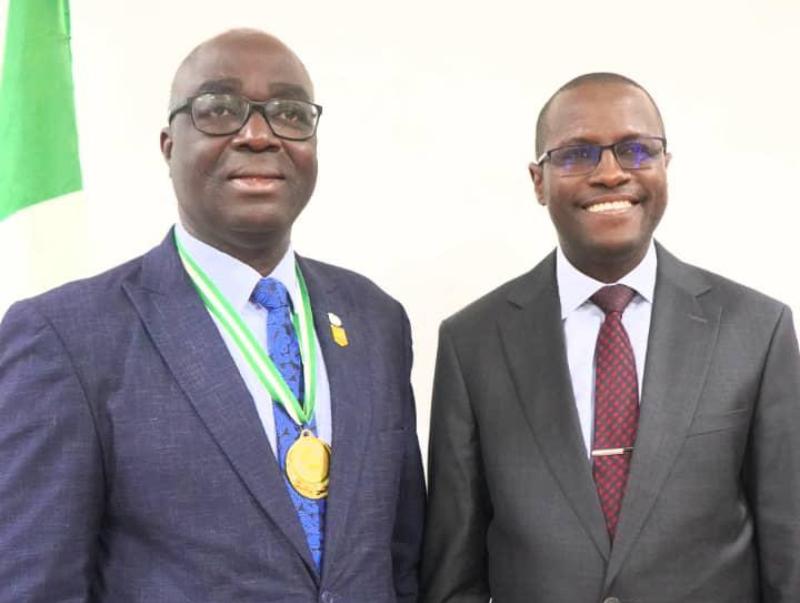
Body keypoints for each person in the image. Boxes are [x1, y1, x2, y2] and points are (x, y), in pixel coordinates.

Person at [0, 29, 425, 602]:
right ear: (168, 144)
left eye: (290, 113)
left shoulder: (375, 320)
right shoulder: (65, 337)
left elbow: (400, 559)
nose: (258, 135)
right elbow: (35, 586)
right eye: (220, 109)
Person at [421, 73, 800, 602]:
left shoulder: (756, 331)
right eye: (577, 155)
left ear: (665, 165)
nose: (611, 173)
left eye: (636, 150)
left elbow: (791, 558)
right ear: (538, 180)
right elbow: (452, 572)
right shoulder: (474, 343)